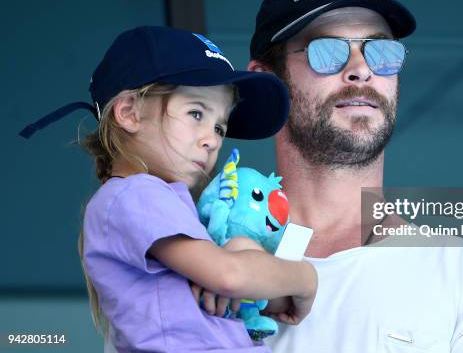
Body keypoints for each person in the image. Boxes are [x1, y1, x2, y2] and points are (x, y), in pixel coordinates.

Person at [247, 0, 463, 352]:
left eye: (380, 51)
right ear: (267, 82)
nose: (361, 69)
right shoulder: (197, 257)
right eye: (327, 50)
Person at [20, 26, 317, 352]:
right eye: (195, 113)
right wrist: (305, 278)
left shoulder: (164, 207)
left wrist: (245, 252)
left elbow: (259, 297)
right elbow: (231, 278)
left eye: (219, 126)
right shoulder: (134, 195)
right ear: (130, 112)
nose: (212, 139)